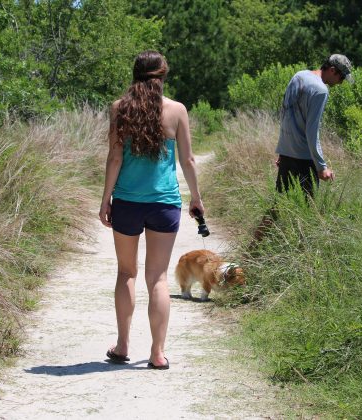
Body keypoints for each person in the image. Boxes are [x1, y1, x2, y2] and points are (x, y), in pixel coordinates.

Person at [99, 51, 204, 370]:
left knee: (126, 273)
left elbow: (115, 158)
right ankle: (157, 354)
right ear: (163, 76)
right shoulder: (177, 110)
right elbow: (187, 160)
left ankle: (122, 345)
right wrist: (196, 198)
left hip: (128, 202)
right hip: (164, 203)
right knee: (157, 278)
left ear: (135, 76)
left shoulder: (120, 109)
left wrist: (105, 200)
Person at [275, 54, 353, 196]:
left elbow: (285, 114)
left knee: (279, 204)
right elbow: (312, 131)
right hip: (304, 158)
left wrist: (283, 150)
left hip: (287, 153)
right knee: (308, 211)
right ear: (332, 70)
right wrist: (321, 167)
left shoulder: (299, 76)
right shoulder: (321, 90)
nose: (341, 82)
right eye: (341, 77)